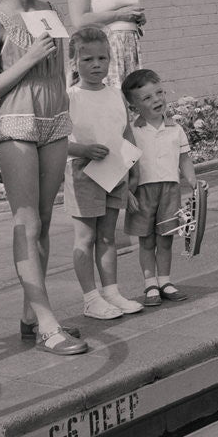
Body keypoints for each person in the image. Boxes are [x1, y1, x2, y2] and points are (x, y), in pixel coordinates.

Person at [0, 0, 86, 355]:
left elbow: (58, 72)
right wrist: (28, 59)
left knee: (44, 220)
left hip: (55, 120)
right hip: (18, 124)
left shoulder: (50, 11)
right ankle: (47, 321)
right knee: (28, 223)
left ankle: (30, 316)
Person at [64, 27, 143, 320]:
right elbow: (58, 143)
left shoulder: (115, 95)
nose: (96, 65)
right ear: (74, 63)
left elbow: (125, 132)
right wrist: (82, 150)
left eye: (102, 58)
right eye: (87, 60)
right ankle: (90, 298)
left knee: (108, 236)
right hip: (83, 173)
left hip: (113, 173)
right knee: (85, 237)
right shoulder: (70, 97)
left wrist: (131, 173)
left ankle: (111, 291)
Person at [122, 68, 197, 303]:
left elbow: (184, 160)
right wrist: (124, 190)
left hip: (170, 191)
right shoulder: (132, 132)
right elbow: (124, 164)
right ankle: (150, 284)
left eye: (159, 93)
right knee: (146, 240)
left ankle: (164, 280)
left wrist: (194, 184)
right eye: (147, 98)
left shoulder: (176, 129)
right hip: (143, 191)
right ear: (134, 107)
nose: (157, 100)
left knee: (165, 238)